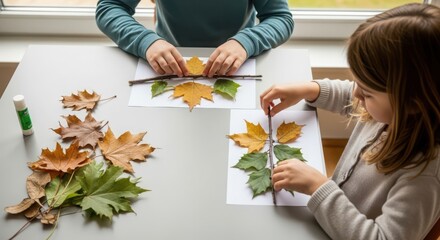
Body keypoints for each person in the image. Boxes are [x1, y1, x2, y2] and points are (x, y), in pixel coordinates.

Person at [260, 3, 440, 239]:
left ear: (412, 103)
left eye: (366, 93)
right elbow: (349, 94)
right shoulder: (395, 111)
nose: (356, 95)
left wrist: (319, 187)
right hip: (331, 220)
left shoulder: (423, 177)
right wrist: (309, 89)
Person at [96, 0, 294, 78]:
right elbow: (110, 7)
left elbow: (280, 18)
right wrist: (146, 41)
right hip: (169, 63)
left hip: (240, 63)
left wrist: (246, 42)